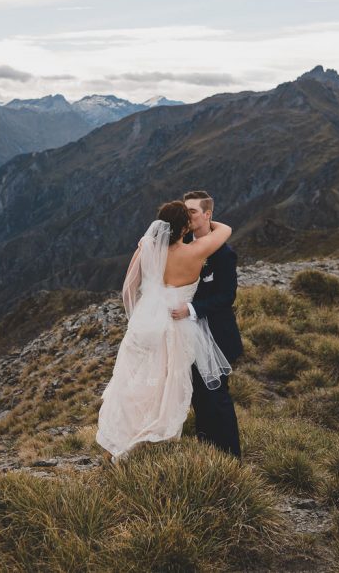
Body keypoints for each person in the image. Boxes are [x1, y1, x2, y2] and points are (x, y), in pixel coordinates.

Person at [95, 200, 233, 462]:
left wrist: (140, 316)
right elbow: (225, 229)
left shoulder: (147, 247)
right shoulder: (197, 251)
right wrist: (203, 218)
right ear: (184, 228)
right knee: (167, 386)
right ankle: (152, 444)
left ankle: (121, 440)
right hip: (177, 327)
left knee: (134, 383)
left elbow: (129, 288)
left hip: (145, 325)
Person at [171, 191, 243, 460]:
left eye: (192, 211)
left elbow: (227, 296)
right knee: (199, 400)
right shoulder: (182, 245)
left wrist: (191, 309)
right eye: (185, 211)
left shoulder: (224, 254)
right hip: (188, 338)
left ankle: (231, 459)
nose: (187, 216)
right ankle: (208, 456)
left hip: (216, 337)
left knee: (218, 399)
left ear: (207, 214)